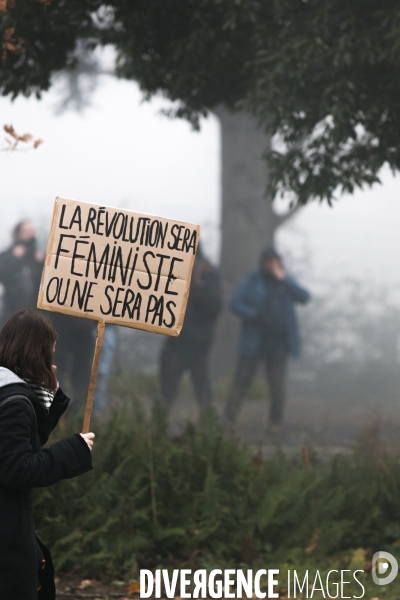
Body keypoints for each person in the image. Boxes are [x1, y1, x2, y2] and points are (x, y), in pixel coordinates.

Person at [0, 309, 95, 599]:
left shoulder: (8, 392)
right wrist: (74, 450)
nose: (52, 358)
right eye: (50, 351)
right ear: (37, 351)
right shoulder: (15, 402)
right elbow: (16, 468)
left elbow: (19, 444)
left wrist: (51, 400)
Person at [224, 246, 310, 433]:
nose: (272, 265)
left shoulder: (285, 282)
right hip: (255, 340)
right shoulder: (252, 281)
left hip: (278, 343)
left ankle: (275, 424)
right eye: (269, 261)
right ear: (262, 263)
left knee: (277, 386)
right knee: (242, 381)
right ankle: (228, 420)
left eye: (275, 261)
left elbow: (304, 297)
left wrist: (285, 280)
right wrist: (254, 316)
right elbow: (235, 303)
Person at [159, 245, 222, 421]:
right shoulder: (173, 269)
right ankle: (160, 422)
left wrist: (197, 290)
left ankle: (207, 425)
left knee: (200, 383)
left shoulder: (208, 272)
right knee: (168, 382)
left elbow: (215, 306)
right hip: (178, 337)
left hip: (197, 340)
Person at [0, 221, 44, 323]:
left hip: (35, 314)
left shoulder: (38, 257)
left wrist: (43, 263)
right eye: (26, 230)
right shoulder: (7, 255)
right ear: (18, 234)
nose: (30, 233)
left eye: (32, 230)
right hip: (12, 312)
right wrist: (13, 257)